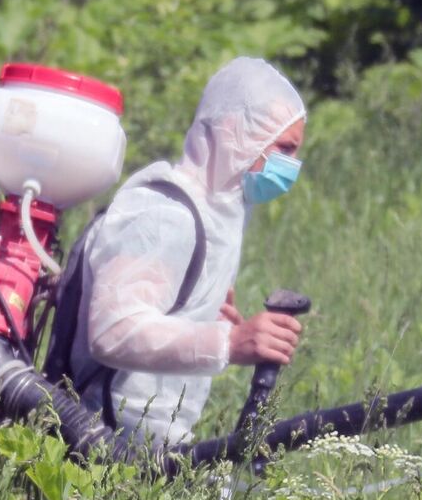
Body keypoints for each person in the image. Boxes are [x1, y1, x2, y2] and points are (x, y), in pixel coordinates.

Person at [57, 57, 308, 449]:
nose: (291, 167)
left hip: (152, 445)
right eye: (284, 149)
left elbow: (158, 314)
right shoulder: (165, 214)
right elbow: (113, 331)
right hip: (98, 444)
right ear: (233, 132)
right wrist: (230, 342)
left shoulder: (218, 215)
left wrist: (204, 318)